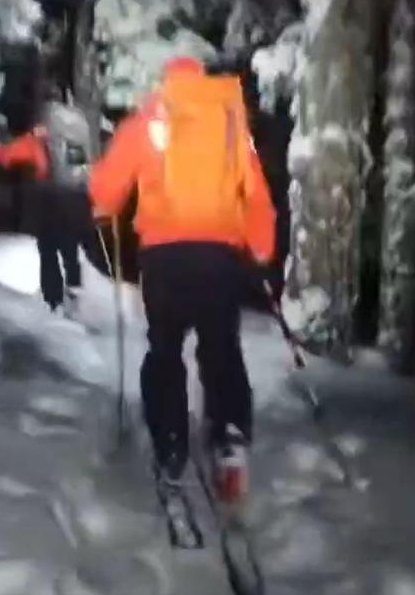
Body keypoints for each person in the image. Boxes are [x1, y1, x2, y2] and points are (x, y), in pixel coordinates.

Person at [88, 56, 276, 502]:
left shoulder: (149, 118)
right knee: (221, 347)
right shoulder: (229, 123)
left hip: (165, 258)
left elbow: (106, 187)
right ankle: (229, 436)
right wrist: (261, 250)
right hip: (219, 256)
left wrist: (103, 207)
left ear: (167, 81)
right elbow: (255, 194)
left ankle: (170, 443)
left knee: (165, 350)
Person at [0, 103, 93, 315]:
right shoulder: (74, 138)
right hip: (76, 199)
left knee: (48, 250)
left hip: (49, 199)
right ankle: (74, 293)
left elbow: (6, 156)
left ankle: (53, 301)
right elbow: (84, 170)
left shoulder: (37, 138)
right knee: (70, 248)